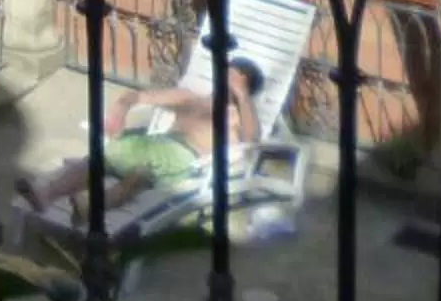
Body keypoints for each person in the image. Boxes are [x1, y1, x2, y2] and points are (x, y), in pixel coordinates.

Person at [17, 53, 265, 215]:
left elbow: (251, 140)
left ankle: (90, 207)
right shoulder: (191, 98)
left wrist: (241, 95)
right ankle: (47, 194)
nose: (227, 78)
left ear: (246, 87)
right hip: (153, 144)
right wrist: (121, 109)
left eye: (236, 77)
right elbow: (139, 96)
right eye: (227, 71)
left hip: (183, 158)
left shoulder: (237, 118)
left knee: (141, 173)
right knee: (102, 159)